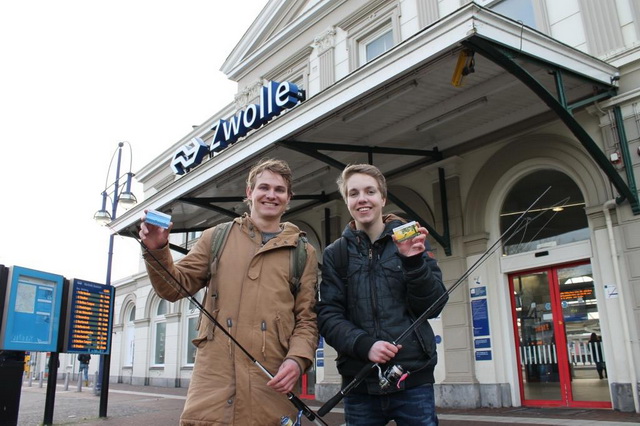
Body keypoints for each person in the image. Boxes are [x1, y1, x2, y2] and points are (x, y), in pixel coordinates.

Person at [139, 158, 319, 425]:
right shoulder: (216, 237)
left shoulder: (303, 252)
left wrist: (297, 359)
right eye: (263, 187)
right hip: (213, 387)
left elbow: (307, 319)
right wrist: (157, 250)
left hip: (271, 385)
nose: (271, 195)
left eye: (279, 190)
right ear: (249, 193)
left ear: (289, 198)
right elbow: (173, 288)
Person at [317, 164, 447, 426]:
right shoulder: (336, 253)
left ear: (383, 198)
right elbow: (329, 316)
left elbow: (433, 306)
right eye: (353, 193)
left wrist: (413, 264)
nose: (362, 198)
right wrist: (366, 345)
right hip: (360, 383)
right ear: (347, 201)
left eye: (370, 191)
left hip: (413, 380)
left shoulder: (410, 239)